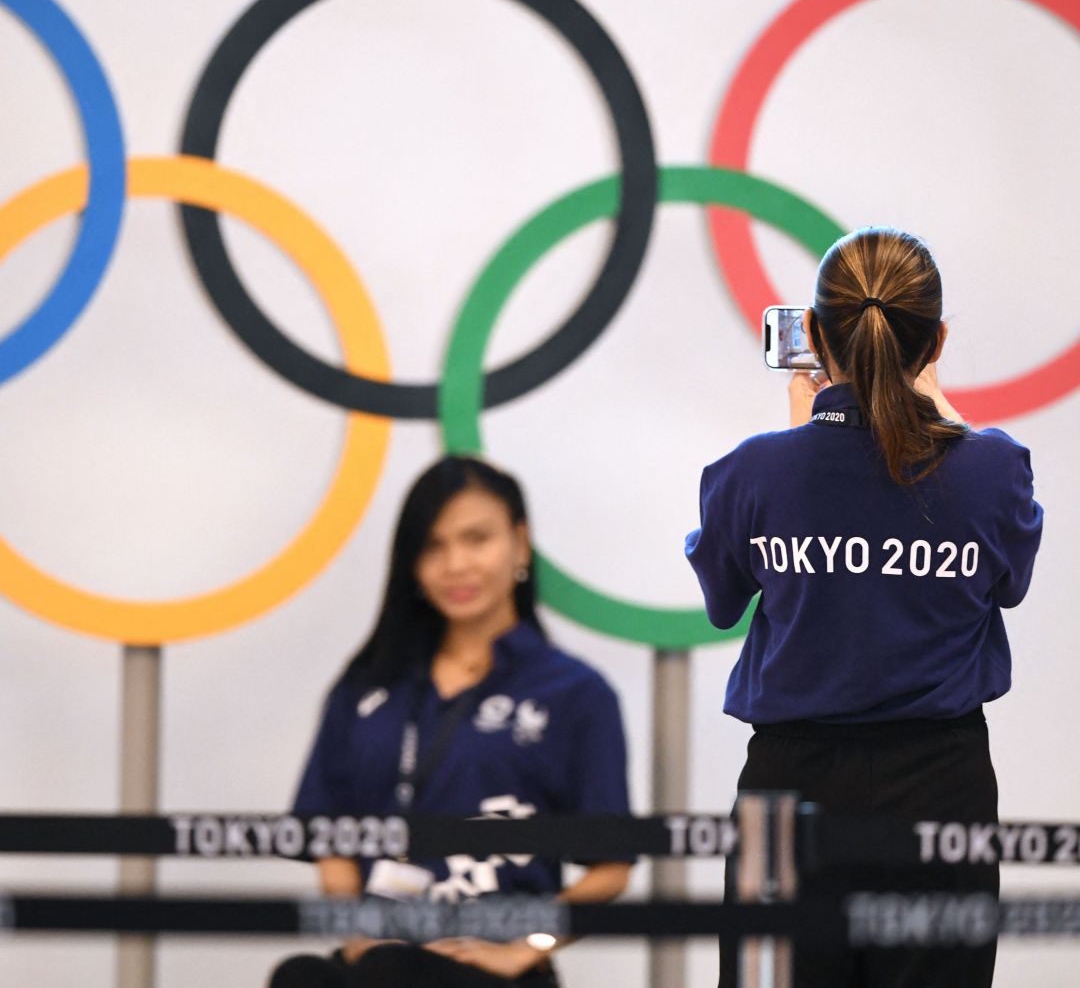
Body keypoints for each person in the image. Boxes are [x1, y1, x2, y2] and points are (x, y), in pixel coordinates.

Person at [684, 227, 1043, 987]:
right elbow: (1010, 581)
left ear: (813, 334)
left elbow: (723, 600)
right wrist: (936, 412)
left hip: (789, 795)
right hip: (940, 790)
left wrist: (801, 446)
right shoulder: (995, 470)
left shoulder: (754, 472)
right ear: (935, 340)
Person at [269, 455, 633, 988]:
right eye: (434, 546)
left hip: (492, 969)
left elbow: (611, 869)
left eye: (476, 538)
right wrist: (360, 937)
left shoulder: (577, 693)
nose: (456, 564)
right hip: (379, 959)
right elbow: (331, 839)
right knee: (301, 977)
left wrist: (523, 948)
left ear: (520, 542)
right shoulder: (369, 683)